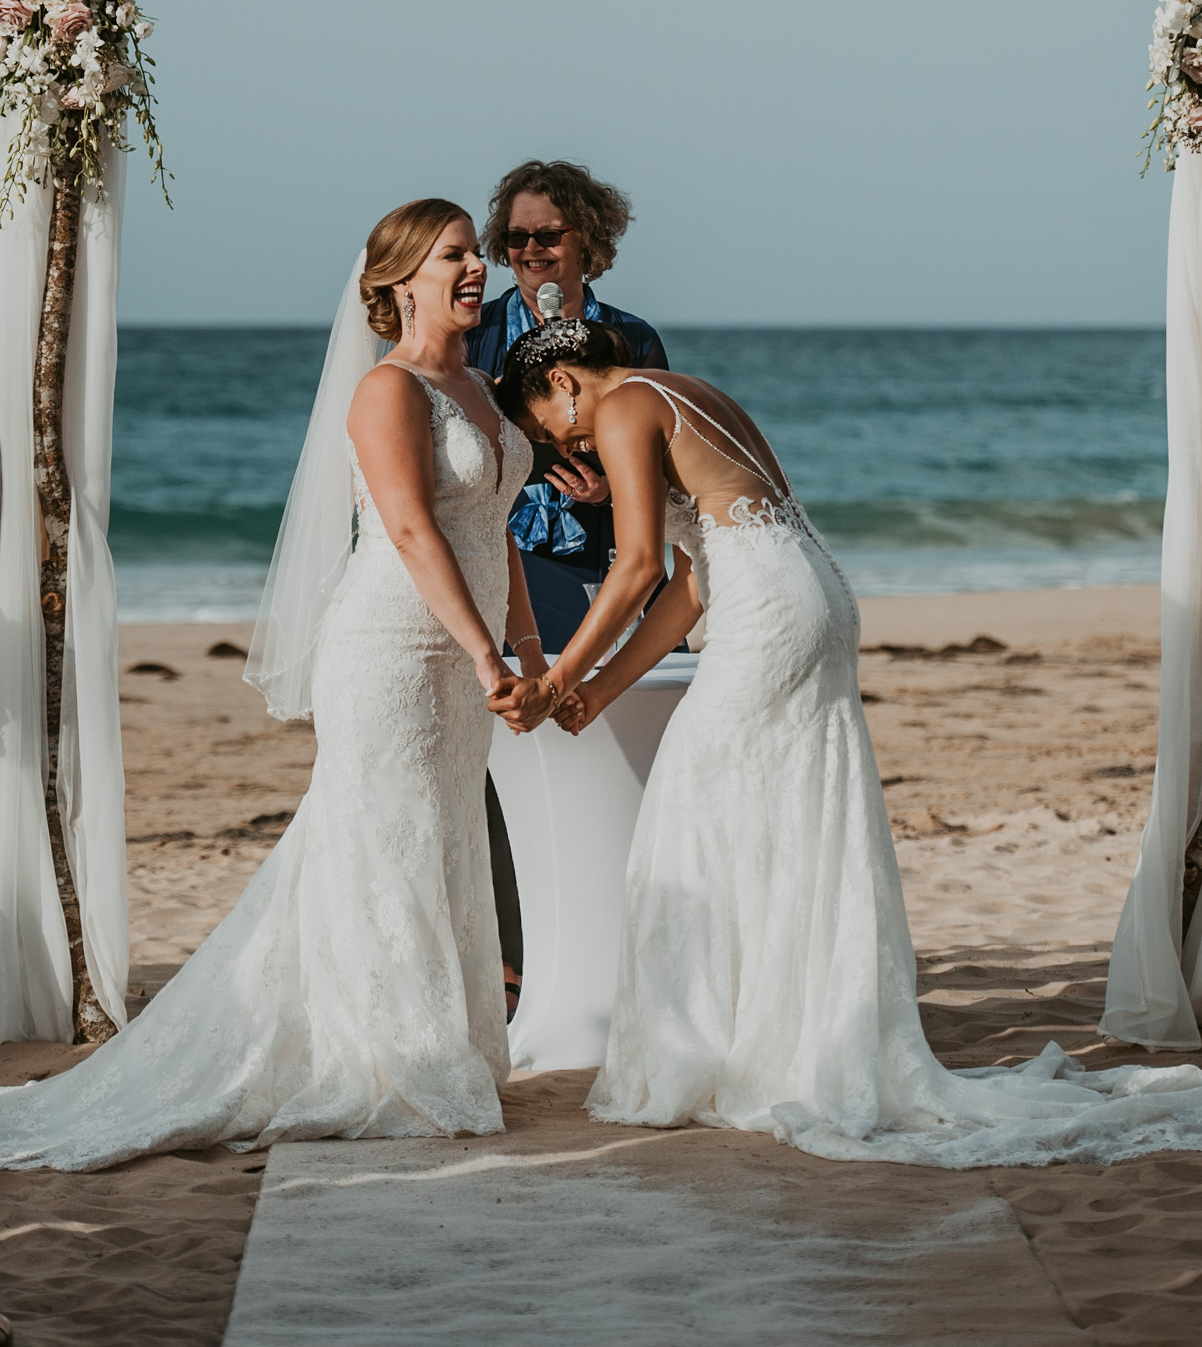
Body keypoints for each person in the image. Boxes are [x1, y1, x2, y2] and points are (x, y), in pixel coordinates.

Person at [489, 319, 1202, 1168]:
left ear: (564, 379)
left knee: (695, 806)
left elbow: (637, 565)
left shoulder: (624, 403)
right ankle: (772, 1033)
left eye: (548, 426)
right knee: (775, 817)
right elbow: (688, 579)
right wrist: (600, 688)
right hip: (807, 591)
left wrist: (555, 679)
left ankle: (731, 1049)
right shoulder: (693, 392)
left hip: (769, 610)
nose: (565, 443)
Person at [0, 200, 543, 1169]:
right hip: (390, 648)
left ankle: (442, 1048)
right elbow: (413, 531)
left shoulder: (481, 387)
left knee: (445, 837)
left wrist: (529, 645)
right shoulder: (389, 391)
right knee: (383, 842)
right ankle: (387, 1060)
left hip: (463, 659)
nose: (477, 270)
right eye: (454, 256)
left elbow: (494, 519)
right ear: (396, 280)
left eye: (476, 255)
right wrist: (482, 653)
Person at [467, 159, 667, 655]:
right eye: (517, 238)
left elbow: (671, 466)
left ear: (588, 238)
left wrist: (612, 491)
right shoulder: (474, 337)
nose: (531, 249)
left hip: (609, 554)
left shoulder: (636, 342)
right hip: (505, 562)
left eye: (549, 234)